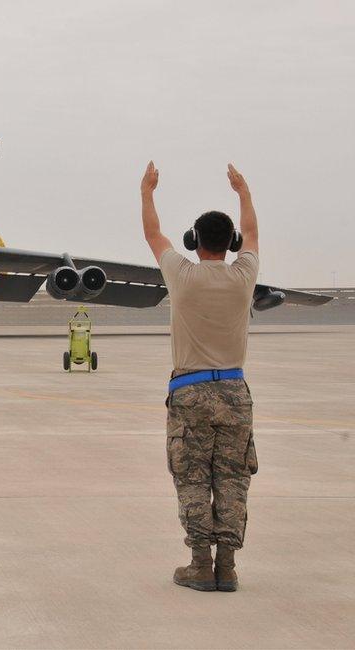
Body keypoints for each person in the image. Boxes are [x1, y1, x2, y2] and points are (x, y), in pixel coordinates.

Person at [141, 161, 260, 592]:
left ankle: (199, 565)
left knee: (192, 476)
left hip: (189, 392)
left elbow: (154, 235)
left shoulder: (183, 276)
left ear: (194, 242)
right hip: (234, 391)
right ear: (232, 243)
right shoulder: (244, 276)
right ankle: (227, 566)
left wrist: (147, 191)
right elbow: (254, 233)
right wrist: (243, 192)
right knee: (231, 477)